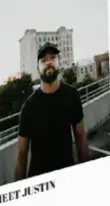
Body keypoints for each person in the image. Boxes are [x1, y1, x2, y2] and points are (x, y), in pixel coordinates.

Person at [13, 40, 89, 179]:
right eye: (43, 60)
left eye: (53, 58)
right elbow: (22, 154)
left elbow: (80, 135)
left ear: (58, 62)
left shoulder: (72, 95)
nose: (49, 62)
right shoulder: (28, 108)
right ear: (38, 69)